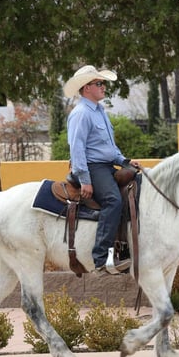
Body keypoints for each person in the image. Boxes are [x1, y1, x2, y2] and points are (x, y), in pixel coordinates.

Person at [63, 65, 141, 274]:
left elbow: (109, 148)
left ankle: (126, 247)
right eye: (99, 83)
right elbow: (77, 148)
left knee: (137, 187)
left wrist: (125, 161)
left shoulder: (100, 112)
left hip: (107, 165)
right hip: (92, 167)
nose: (103, 87)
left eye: (103, 83)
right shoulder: (81, 114)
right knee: (113, 200)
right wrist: (85, 180)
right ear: (86, 88)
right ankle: (101, 258)